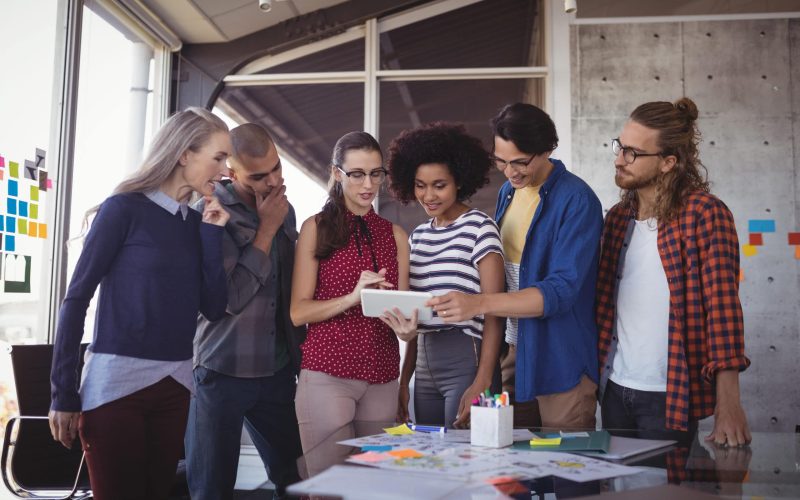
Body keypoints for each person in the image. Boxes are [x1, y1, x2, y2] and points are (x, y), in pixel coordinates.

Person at [48, 107, 231, 500]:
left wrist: (212, 235)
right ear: (185, 154)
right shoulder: (123, 209)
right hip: (116, 390)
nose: (225, 168)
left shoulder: (195, 223)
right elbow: (76, 297)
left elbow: (215, 309)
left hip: (175, 388)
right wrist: (63, 392)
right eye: (219, 157)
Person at [428, 103, 603, 429]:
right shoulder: (509, 192)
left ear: (548, 149)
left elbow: (561, 291)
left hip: (560, 358)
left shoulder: (577, 200)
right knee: (516, 471)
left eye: (520, 162)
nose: (510, 172)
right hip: (515, 351)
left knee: (567, 469)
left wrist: (478, 303)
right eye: (501, 161)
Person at [596, 97, 751, 446]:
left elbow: (723, 311)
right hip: (614, 388)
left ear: (668, 162)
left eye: (633, 153)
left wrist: (729, 405)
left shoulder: (704, 214)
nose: (619, 159)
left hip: (669, 394)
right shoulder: (617, 220)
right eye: (620, 147)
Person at [185, 123, 304, 500]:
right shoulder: (209, 210)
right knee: (212, 488)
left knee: (298, 482)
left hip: (277, 372)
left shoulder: (286, 211)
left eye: (276, 168)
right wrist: (265, 230)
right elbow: (229, 300)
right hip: (223, 371)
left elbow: (289, 291)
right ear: (231, 173)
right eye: (258, 175)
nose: (272, 181)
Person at [290, 131, 409, 476]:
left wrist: (409, 328)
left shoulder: (396, 236)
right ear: (337, 173)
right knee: (329, 488)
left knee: (375, 489)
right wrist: (352, 297)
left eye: (376, 173)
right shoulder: (316, 227)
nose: (368, 184)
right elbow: (299, 311)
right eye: (357, 174)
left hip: (384, 375)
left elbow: (404, 317)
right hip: (328, 372)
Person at [383, 122, 504, 429]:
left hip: (467, 358)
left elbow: (495, 311)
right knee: (433, 460)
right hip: (424, 365)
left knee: (466, 460)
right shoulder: (418, 236)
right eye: (420, 185)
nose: (428, 195)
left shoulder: (480, 227)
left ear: (459, 182)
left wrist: (484, 380)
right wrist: (402, 382)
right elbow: (416, 313)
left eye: (440, 185)